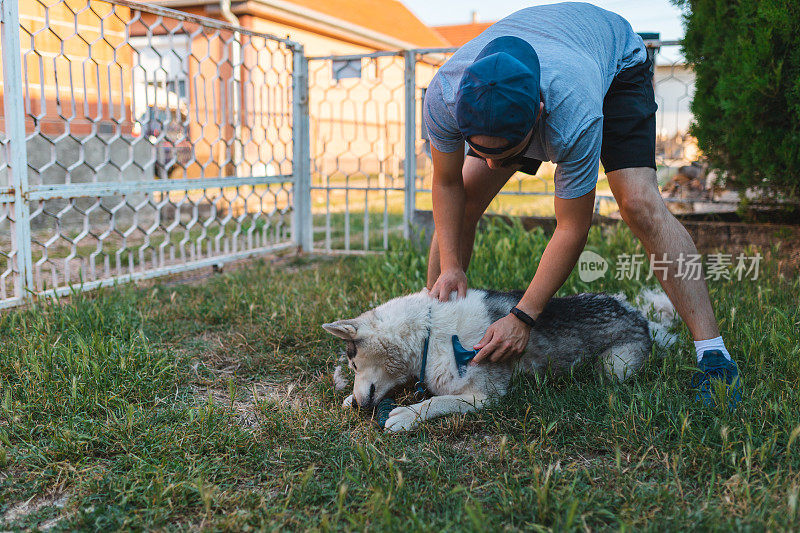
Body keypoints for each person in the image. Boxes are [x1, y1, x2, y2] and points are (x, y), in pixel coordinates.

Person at [422, 2, 740, 407]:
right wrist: (451, 266)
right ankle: (431, 342)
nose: (490, 164)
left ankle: (713, 353)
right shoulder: (445, 94)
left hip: (613, 60)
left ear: (538, 119)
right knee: (465, 197)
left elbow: (571, 227)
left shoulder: (572, 111)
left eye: (503, 155)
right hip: (544, 61)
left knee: (638, 203)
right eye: (480, 150)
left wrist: (523, 317)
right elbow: (446, 183)